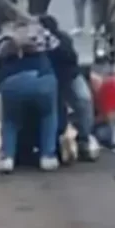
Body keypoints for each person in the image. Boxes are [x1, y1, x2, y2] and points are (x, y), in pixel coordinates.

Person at [0, 0, 60, 173]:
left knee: (10, 120)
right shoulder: (34, 26)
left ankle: (7, 157)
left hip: (12, 80)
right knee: (48, 115)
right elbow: (55, 44)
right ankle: (48, 156)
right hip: (42, 76)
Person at [39, 15, 99, 161]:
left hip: (69, 75)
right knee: (57, 111)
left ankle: (84, 137)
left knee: (84, 101)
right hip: (49, 79)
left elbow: (72, 58)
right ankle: (58, 142)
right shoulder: (35, 43)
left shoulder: (63, 40)